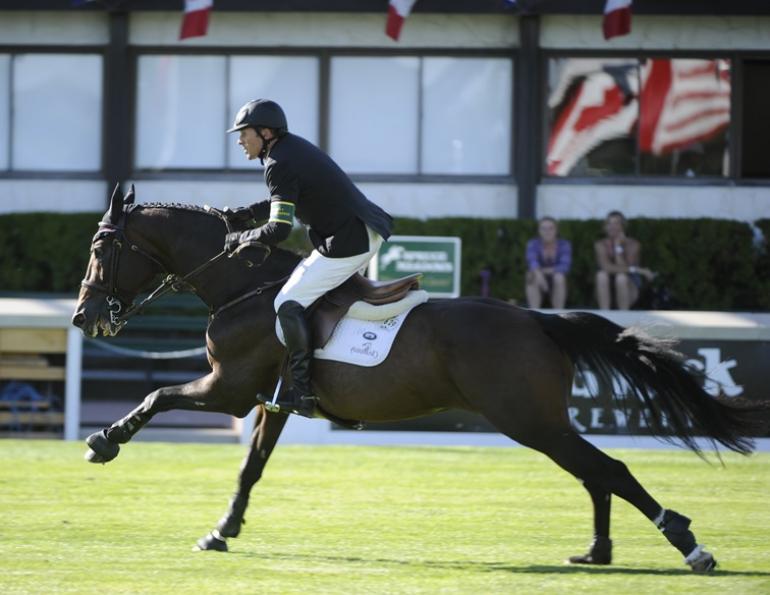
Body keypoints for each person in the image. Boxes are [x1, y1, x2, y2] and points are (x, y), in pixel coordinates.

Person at [223, 99, 393, 417]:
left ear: (265, 132)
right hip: (361, 231)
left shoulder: (278, 161)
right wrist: (246, 214)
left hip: (349, 241)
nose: (239, 140)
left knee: (286, 302)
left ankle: (303, 395)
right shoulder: (290, 149)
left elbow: (279, 229)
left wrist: (239, 238)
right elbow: (284, 197)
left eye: (244, 133)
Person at [594, 211, 655, 310]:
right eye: (609, 223)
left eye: (616, 223)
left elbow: (625, 268)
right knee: (601, 275)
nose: (612, 227)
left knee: (621, 277)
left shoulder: (633, 244)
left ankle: (623, 313)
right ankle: (605, 312)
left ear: (623, 226)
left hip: (629, 288)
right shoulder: (600, 244)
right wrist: (638, 270)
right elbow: (606, 267)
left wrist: (618, 247)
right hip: (607, 290)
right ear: (605, 227)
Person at [524, 216, 571, 309]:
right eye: (544, 228)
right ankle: (534, 311)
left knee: (559, 277)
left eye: (551, 228)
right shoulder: (533, 244)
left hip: (556, 281)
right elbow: (532, 262)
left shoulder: (564, 244)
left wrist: (543, 272)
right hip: (538, 281)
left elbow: (564, 266)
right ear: (539, 231)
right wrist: (539, 275)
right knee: (531, 276)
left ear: (556, 230)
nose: (547, 232)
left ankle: (558, 311)